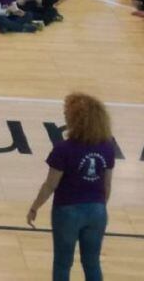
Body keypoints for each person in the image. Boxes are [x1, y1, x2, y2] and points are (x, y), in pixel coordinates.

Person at [27, 93, 116, 281]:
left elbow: (50, 185)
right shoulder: (107, 147)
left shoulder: (63, 149)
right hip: (97, 211)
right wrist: (98, 208)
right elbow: (106, 185)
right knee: (92, 263)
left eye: (67, 113)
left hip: (67, 212)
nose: (65, 116)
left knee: (62, 263)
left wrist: (35, 207)